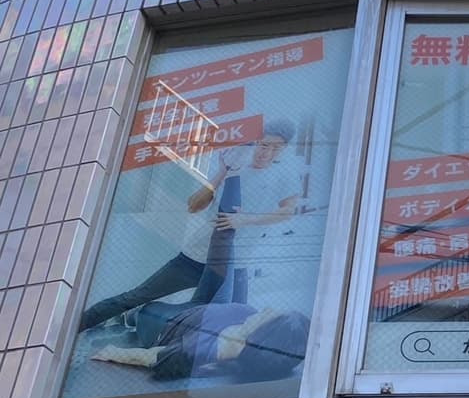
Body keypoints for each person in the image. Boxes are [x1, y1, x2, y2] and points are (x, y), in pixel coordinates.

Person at [79, 120, 303, 330]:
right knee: (136, 296)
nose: (267, 153)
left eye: (276, 149)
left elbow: (288, 211)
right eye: (264, 145)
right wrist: (222, 172)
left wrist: (246, 220)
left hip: (233, 265)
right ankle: (75, 325)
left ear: (284, 150)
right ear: (256, 141)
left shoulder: (283, 176)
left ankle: (142, 318)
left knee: (233, 324)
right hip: (195, 257)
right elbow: (194, 206)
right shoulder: (235, 166)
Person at [90, 301, 310, 382]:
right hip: (193, 312)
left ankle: (127, 317)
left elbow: (153, 357)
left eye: (270, 315)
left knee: (145, 311)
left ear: (263, 334)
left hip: (161, 323)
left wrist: (113, 352)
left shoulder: (203, 350)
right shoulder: (246, 316)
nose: (268, 309)